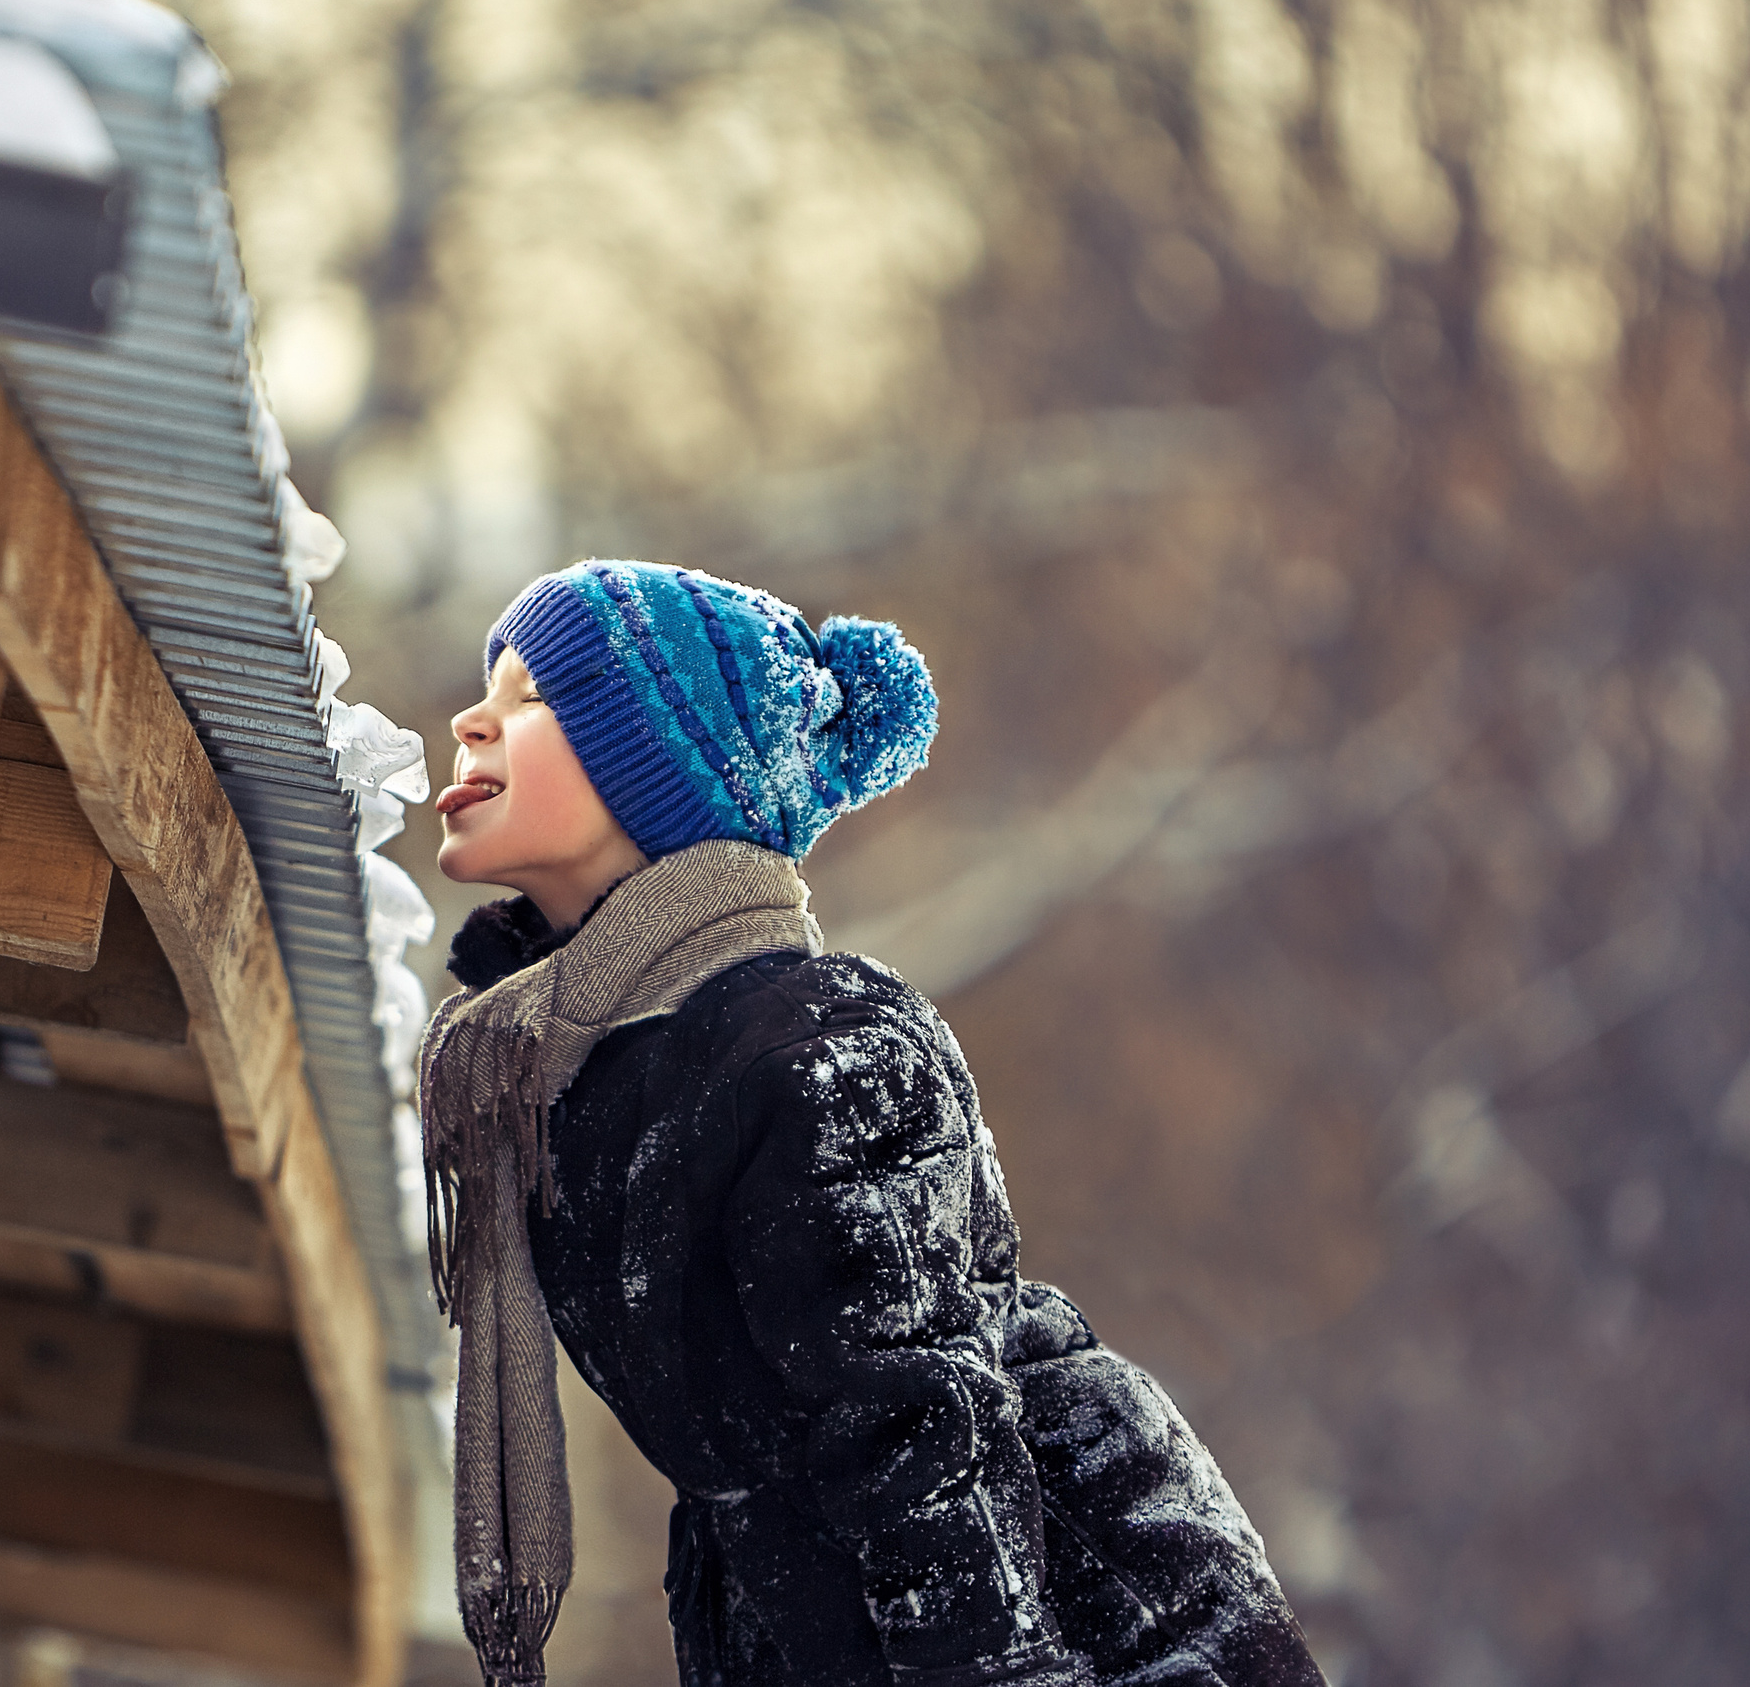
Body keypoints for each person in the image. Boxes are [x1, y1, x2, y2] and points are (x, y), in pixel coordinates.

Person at [417, 560, 1326, 1687]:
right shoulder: (554, 1071)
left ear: (656, 768)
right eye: (487, 691)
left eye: (536, 698)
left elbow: (925, 1434)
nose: (473, 720)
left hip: (1076, 1626)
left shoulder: (812, 1047)